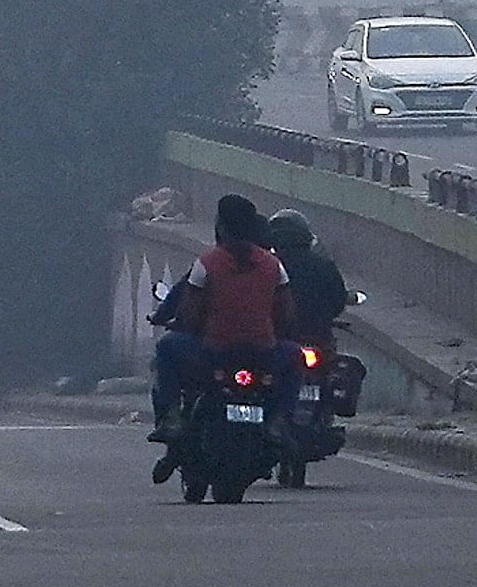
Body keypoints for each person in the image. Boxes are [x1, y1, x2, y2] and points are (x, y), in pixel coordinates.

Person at [149, 194, 288, 478]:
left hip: (215, 352)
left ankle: (172, 416)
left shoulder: (207, 264)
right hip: (262, 352)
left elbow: (189, 312)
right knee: (294, 358)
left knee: (166, 348)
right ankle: (278, 420)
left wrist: (184, 323)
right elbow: (286, 314)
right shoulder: (274, 266)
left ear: (221, 227)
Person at [265, 211, 350, 348]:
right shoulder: (323, 264)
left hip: (277, 339)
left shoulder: (266, 266)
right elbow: (337, 301)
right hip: (317, 336)